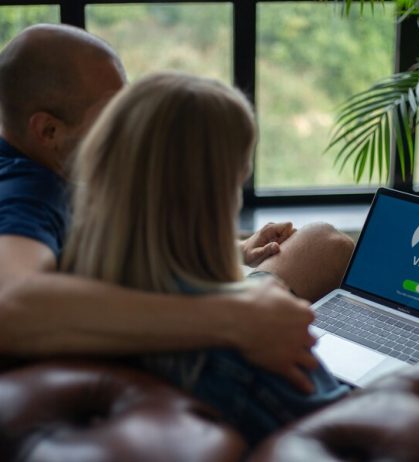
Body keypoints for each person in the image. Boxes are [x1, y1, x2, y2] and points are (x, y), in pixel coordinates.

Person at [0, 24, 354, 393]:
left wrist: (235, 251)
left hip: (168, 308)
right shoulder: (25, 193)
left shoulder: (52, 168)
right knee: (322, 248)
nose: (128, 126)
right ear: (48, 130)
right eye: (112, 114)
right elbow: (11, 306)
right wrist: (233, 316)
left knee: (322, 242)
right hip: (175, 347)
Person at [60, 71, 350, 443]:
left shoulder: (75, 296)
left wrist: (238, 255)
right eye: (238, 177)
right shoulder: (254, 342)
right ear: (217, 194)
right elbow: (346, 435)